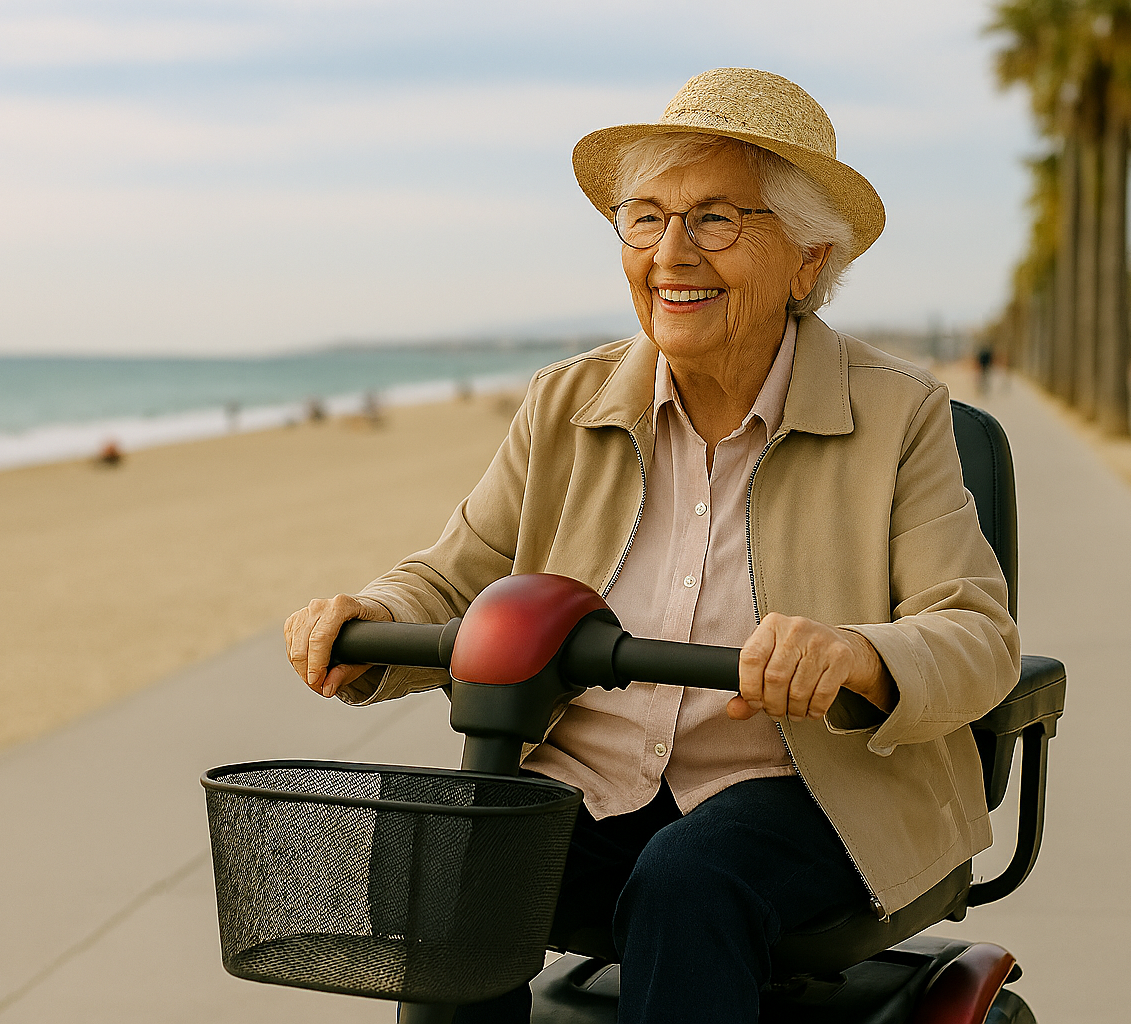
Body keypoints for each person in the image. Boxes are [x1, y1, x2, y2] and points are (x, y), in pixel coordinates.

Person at [284, 68, 1019, 1024]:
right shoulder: (565, 402)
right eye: (646, 218)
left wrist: (858, 654)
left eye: (717, 219)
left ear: (807, 260)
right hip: (589, 783)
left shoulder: (899, 414)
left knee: (692, 878)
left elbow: (974, 633)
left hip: (811, 790)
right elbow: (454, 573)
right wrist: (373, 616)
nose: (672, 253)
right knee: (450, 853)